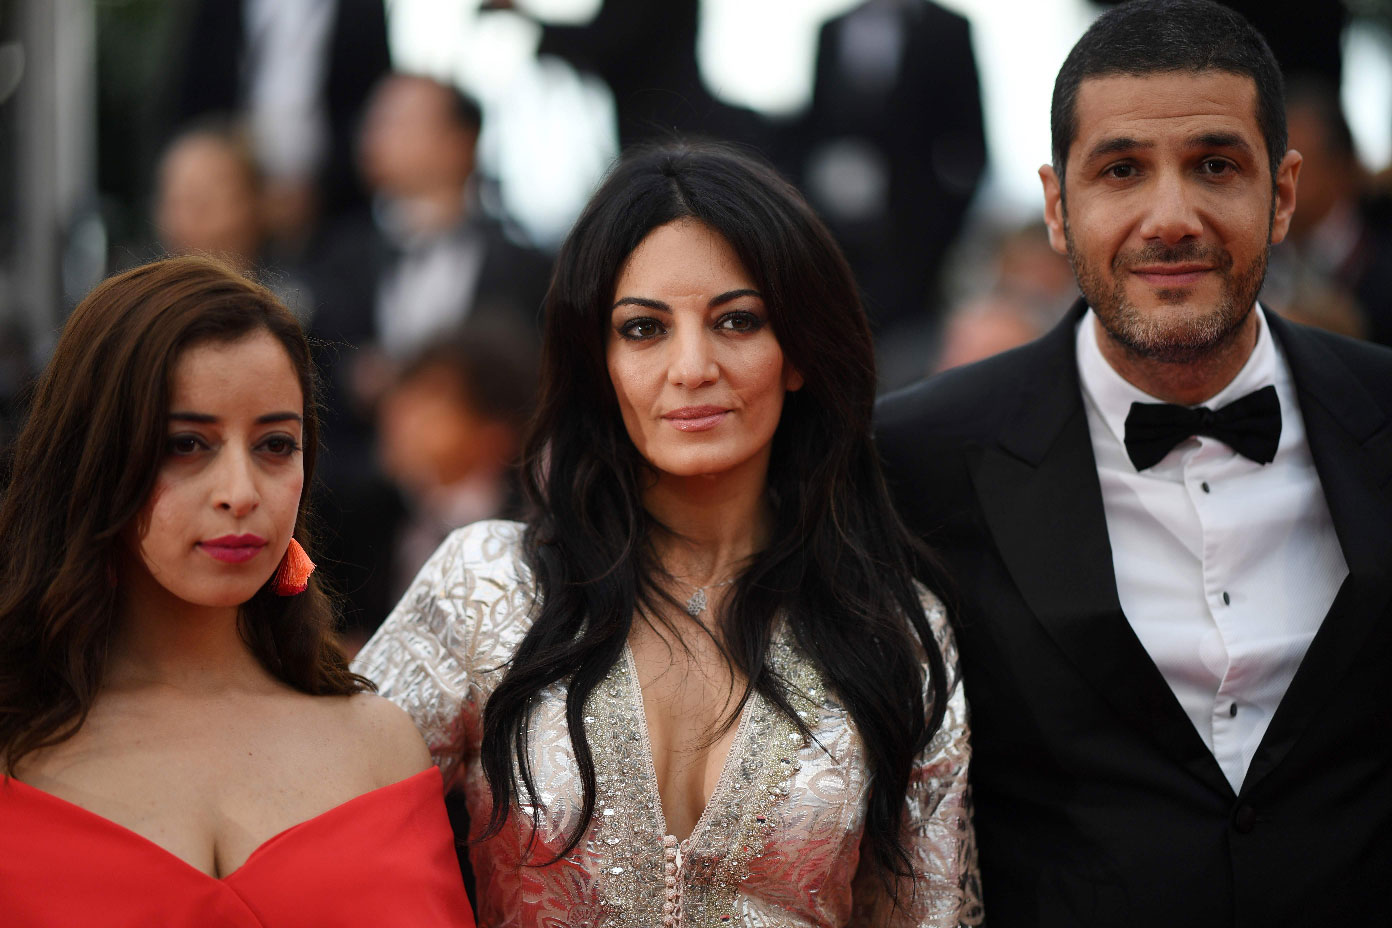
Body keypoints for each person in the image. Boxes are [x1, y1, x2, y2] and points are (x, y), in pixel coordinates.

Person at [355, 141, 981, 927]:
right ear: (600, 359)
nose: (693, 366)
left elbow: (929, 915)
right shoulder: (486, 585)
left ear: (797, 353)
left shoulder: (895, 625)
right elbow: (317, 833)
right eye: (645, 329)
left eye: (738, 321)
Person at [876, 2, 1392, 925]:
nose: (1171, 218)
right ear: (1056, 206)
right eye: (1121, 170)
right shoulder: (916, 459)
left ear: (1282, 194)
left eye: (1215, 167)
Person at [0, 256, 475, 926]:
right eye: (187, 444)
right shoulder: (16, 747)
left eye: (276, 445)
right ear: (94, 458)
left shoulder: (381, 745)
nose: (241, 494)